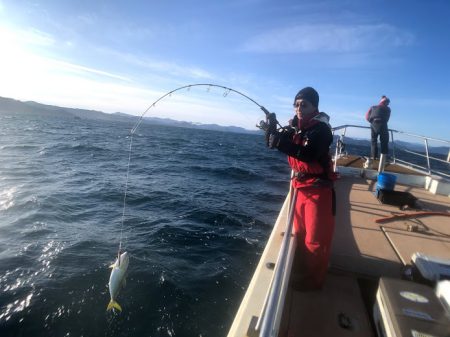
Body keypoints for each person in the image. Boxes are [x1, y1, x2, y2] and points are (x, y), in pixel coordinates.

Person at [267, 86, 336, 290]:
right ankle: (301, 267)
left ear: (314, 106)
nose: (299, 108)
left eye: (303, 104)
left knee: (316, 239)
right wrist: (271, 130)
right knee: (301, 233)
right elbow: (275, 143)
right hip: (299, 186)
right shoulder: (295, 127)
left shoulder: (321, 130)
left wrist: (281, 144)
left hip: (319, 190)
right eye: (296, 104)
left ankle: (313, 281)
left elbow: (310, 154)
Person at [365, 96, 391, 168]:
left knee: (373, 141)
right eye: (388, 102)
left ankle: (374, 157)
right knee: (384, 141)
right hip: (383, 125)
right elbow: (387, 119)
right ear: (386, 102)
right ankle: (383, 159)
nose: (388, 104)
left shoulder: (373, 107)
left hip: (373, 124)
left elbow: (367, 117)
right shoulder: (388, 109)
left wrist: (372, 122)